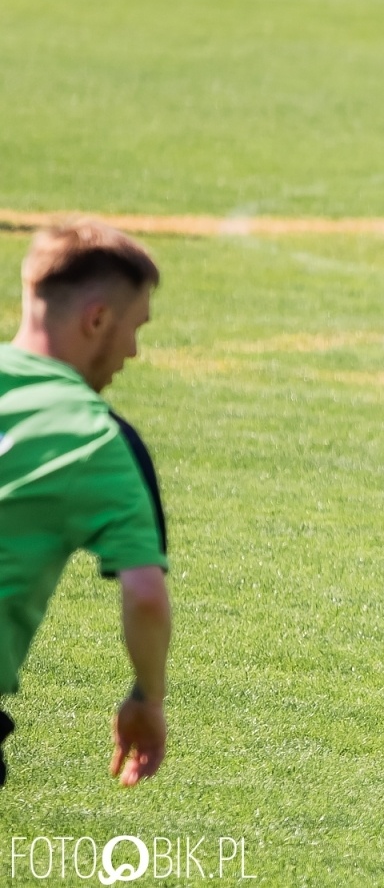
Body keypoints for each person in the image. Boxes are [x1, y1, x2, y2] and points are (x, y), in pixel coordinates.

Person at [0, 221, 171, 788]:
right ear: (96, 320)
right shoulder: (96, 439)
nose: (134, 350)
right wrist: (147, 697)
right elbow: (145, 595)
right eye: (134, 328)